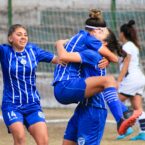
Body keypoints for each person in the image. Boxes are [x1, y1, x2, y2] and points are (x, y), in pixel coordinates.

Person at [53, 9, 141, 141]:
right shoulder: (90, 49)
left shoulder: (90, 53)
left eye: (104, 32)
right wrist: (110, 58)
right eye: (103, 30)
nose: (102, 31)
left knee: (109, 80)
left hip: (94, 108)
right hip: (82, 103)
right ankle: (123, 112)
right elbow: (117, 57)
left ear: (103, 43)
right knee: (109, 80)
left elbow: (118, 57)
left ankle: (122, 116)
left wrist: (59, 43)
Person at [0, 24, 58, 145]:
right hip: (12, 105)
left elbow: (58, 59)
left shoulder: (33, 50)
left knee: (43, 141)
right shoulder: (4, 51)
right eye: (19, 34)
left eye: (25, 35)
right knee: (20, 139)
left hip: (32, 105)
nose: (23, 37)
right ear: (10, 38)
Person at [116, 20, 145, 140]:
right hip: (140, 78)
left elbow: (126, 63)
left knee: (114, 101)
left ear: (123, 33)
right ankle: (143, 133)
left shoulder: (126, 46)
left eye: (119, 33)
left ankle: (126, 127)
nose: (119, 35)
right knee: (137, 108)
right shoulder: (134, 46)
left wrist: (119, 80)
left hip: (131, 79)